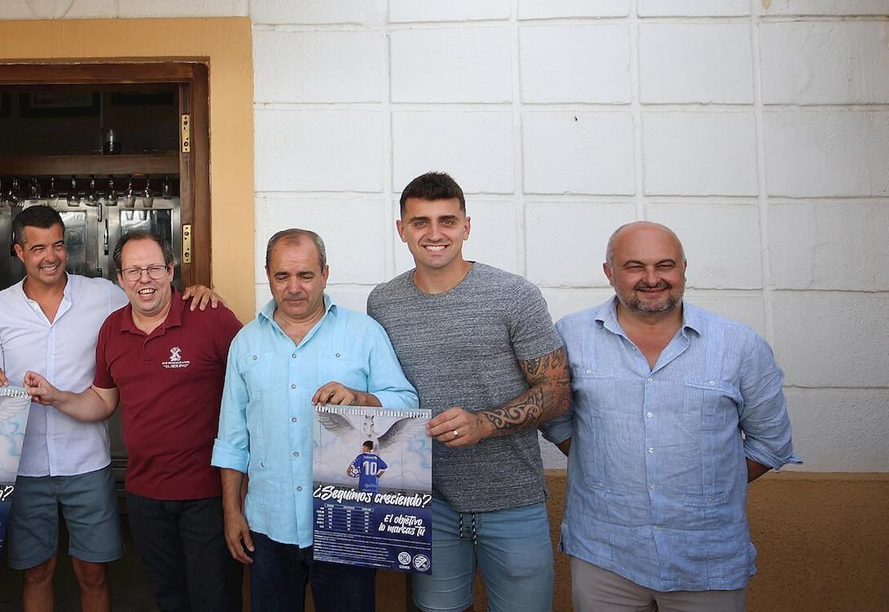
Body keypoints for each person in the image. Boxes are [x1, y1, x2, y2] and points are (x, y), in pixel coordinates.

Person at [543, 222, 800, 612]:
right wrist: (608, 466)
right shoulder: (570, 336)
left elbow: (770, 444)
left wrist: (703, 485)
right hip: (605, 554)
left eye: (665, 265)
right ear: (609, 272)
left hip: (707, 559)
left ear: (683, 268)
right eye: (634, 267)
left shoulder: (739, 345)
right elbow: (556, 417)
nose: (652, 279)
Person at [0, 206, 222, 612]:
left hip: (86, 462)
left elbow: (155, 295)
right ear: (19, 252)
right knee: (37, 571)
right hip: (24, 463)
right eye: (38, 248)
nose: (50, 256)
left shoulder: (103, 295)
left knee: (93, 572)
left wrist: (198, 291)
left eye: (58, 244)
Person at [367, 172, 571, 612]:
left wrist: (484, 423)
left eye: (448, 221)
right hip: (427, 501)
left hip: (512, 498)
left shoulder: (513, 294)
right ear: (401, 230)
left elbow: (557, 391)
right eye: (420, 222)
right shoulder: (382, 302)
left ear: (467, 227)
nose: (435, 234)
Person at [23, 230, 244, 612]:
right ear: (120, 279)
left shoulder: (211, 317)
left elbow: (250, 390)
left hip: (206, 494)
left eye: (154, 268)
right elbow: (102, 401)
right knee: (167, 597)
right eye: (134, 271)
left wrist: (241, 490)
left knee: (215, 599)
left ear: (171, 270)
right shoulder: (112, 329)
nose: (145, 279)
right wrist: (56, 396)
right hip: (145, 494)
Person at [213, 228, 417, 612]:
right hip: (268, 524)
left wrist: (361, 399)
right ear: (268, 275)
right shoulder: (246, 343)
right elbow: (232, 438)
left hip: (348, 519)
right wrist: (232, 512)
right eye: (282, 276)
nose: (294, 288)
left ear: (325, 274)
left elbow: (406, 404)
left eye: (305, 276)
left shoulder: (364, 334)